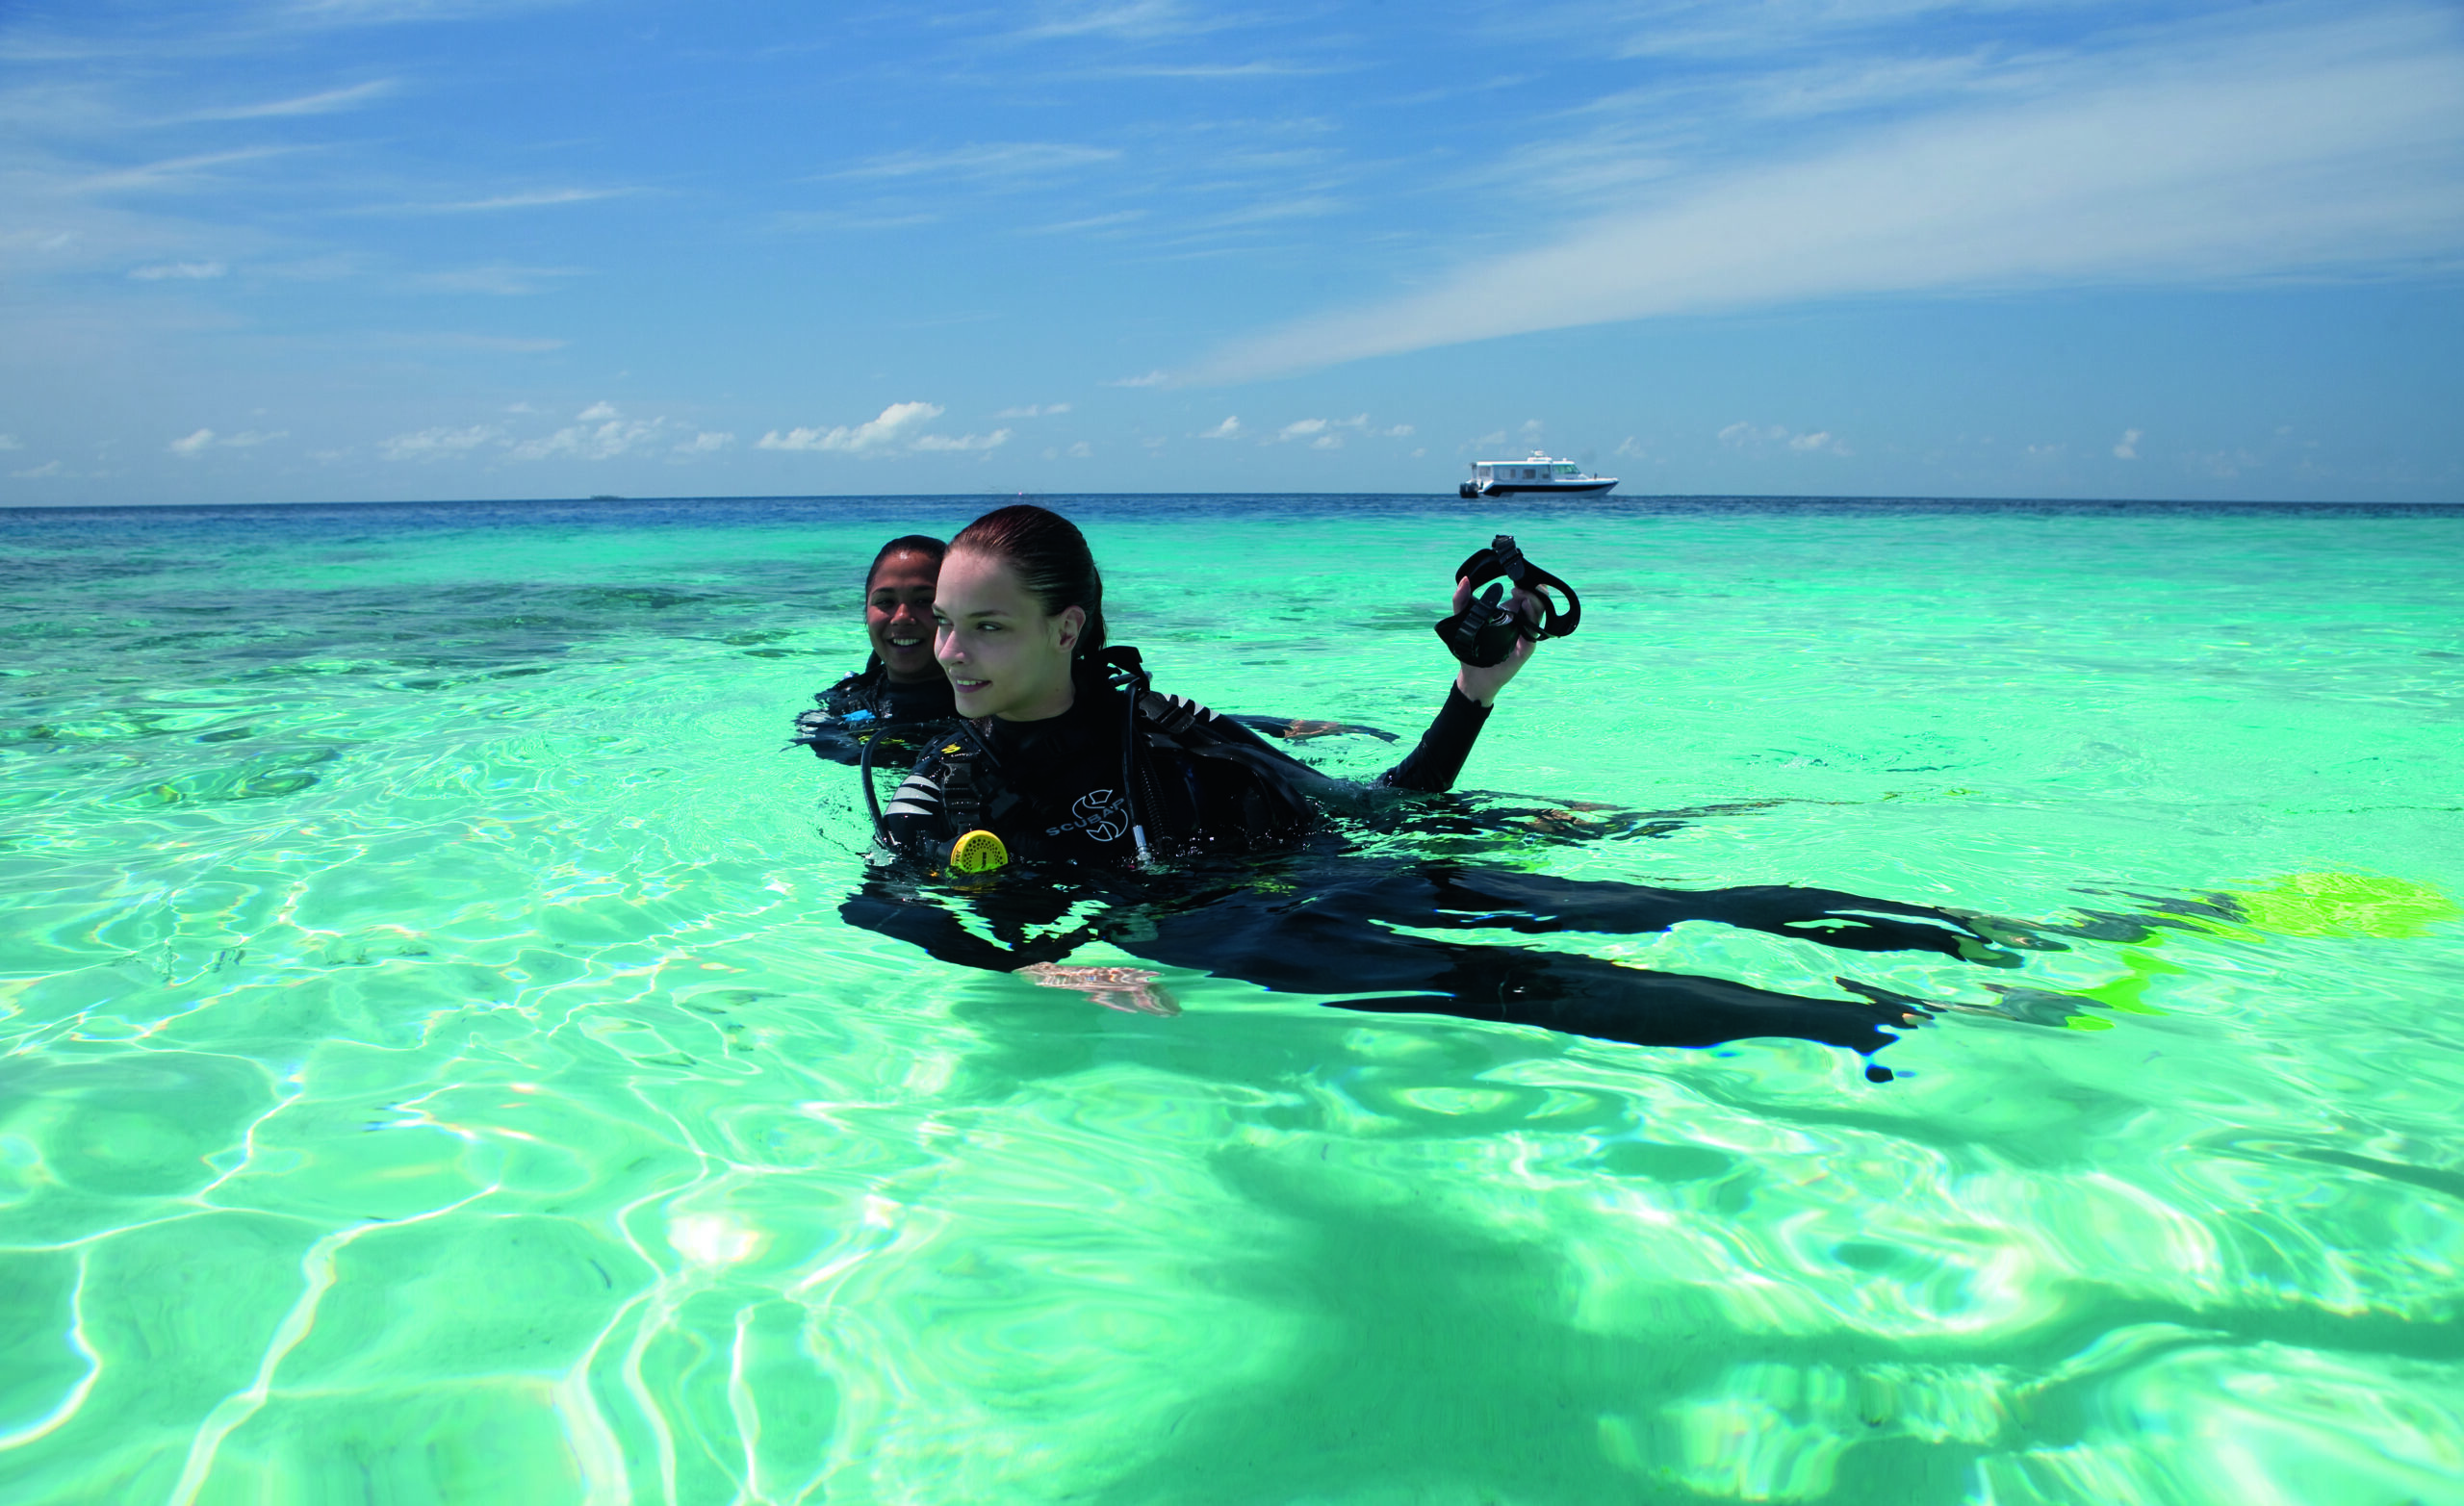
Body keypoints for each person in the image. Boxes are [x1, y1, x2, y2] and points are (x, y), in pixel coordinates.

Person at [843, 505, 2032, 1077]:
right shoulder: (947, 776)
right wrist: (1027, 962)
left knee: (1622, 903)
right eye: (946, 626)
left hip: (1315, 876)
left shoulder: (1173, 734)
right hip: (1222, 930)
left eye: (985, 628)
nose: (948, 653)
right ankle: (1877, 1022)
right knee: (1510, 985)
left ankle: (1979, 938)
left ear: (1069, 626)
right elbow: (882, 903)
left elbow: (1374, 804)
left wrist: (1472, 694)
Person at [792, 534, 957, 767]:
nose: (902, 618)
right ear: (866, 615)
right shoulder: (847, 701)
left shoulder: (989, 707)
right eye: (885, 602)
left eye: (923, 600)